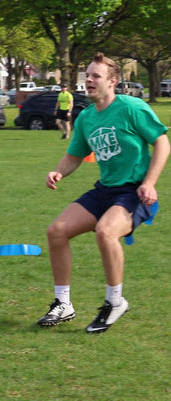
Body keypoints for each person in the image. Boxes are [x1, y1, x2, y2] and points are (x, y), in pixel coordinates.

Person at [38, 53, 169, 333]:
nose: (89, 80)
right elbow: (75, 156)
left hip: (134, 191)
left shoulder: (132, 107)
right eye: (87, 75)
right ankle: (63, 304)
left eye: (95, 76)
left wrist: (150, 182)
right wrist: (58, 171)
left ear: (113, 81)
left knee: (105, 231)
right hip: (105, 190)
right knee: (57, 231)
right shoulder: (86, 117)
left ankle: (115, 302)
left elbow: (162, 143)